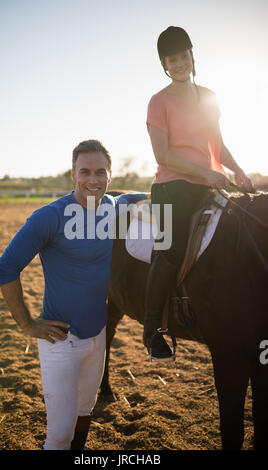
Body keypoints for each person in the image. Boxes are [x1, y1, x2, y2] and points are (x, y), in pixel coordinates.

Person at [0, 139, 146, 450]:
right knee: (60, 435)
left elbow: (141, 197)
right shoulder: (50, 216)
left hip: (98, 336)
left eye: (100, 172)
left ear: (110, 175)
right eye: (85, 171)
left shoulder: (114, 208)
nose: (93, 179)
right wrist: (27, 325)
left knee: (85, 413)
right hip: (60, 341)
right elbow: (5, 269)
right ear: (73, 175)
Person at [143, 26, 254, 361]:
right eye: (171, 58)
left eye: (183, 56)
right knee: (171, 250)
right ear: (164, 63)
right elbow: (163, 155)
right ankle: (150, 330)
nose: (178, 63)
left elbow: (217, 145)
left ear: (192, 55)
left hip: (208, 183)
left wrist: (236, 168)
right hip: (169, 189)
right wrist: (206, 171)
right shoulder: (158, 102)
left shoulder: (208, 96)